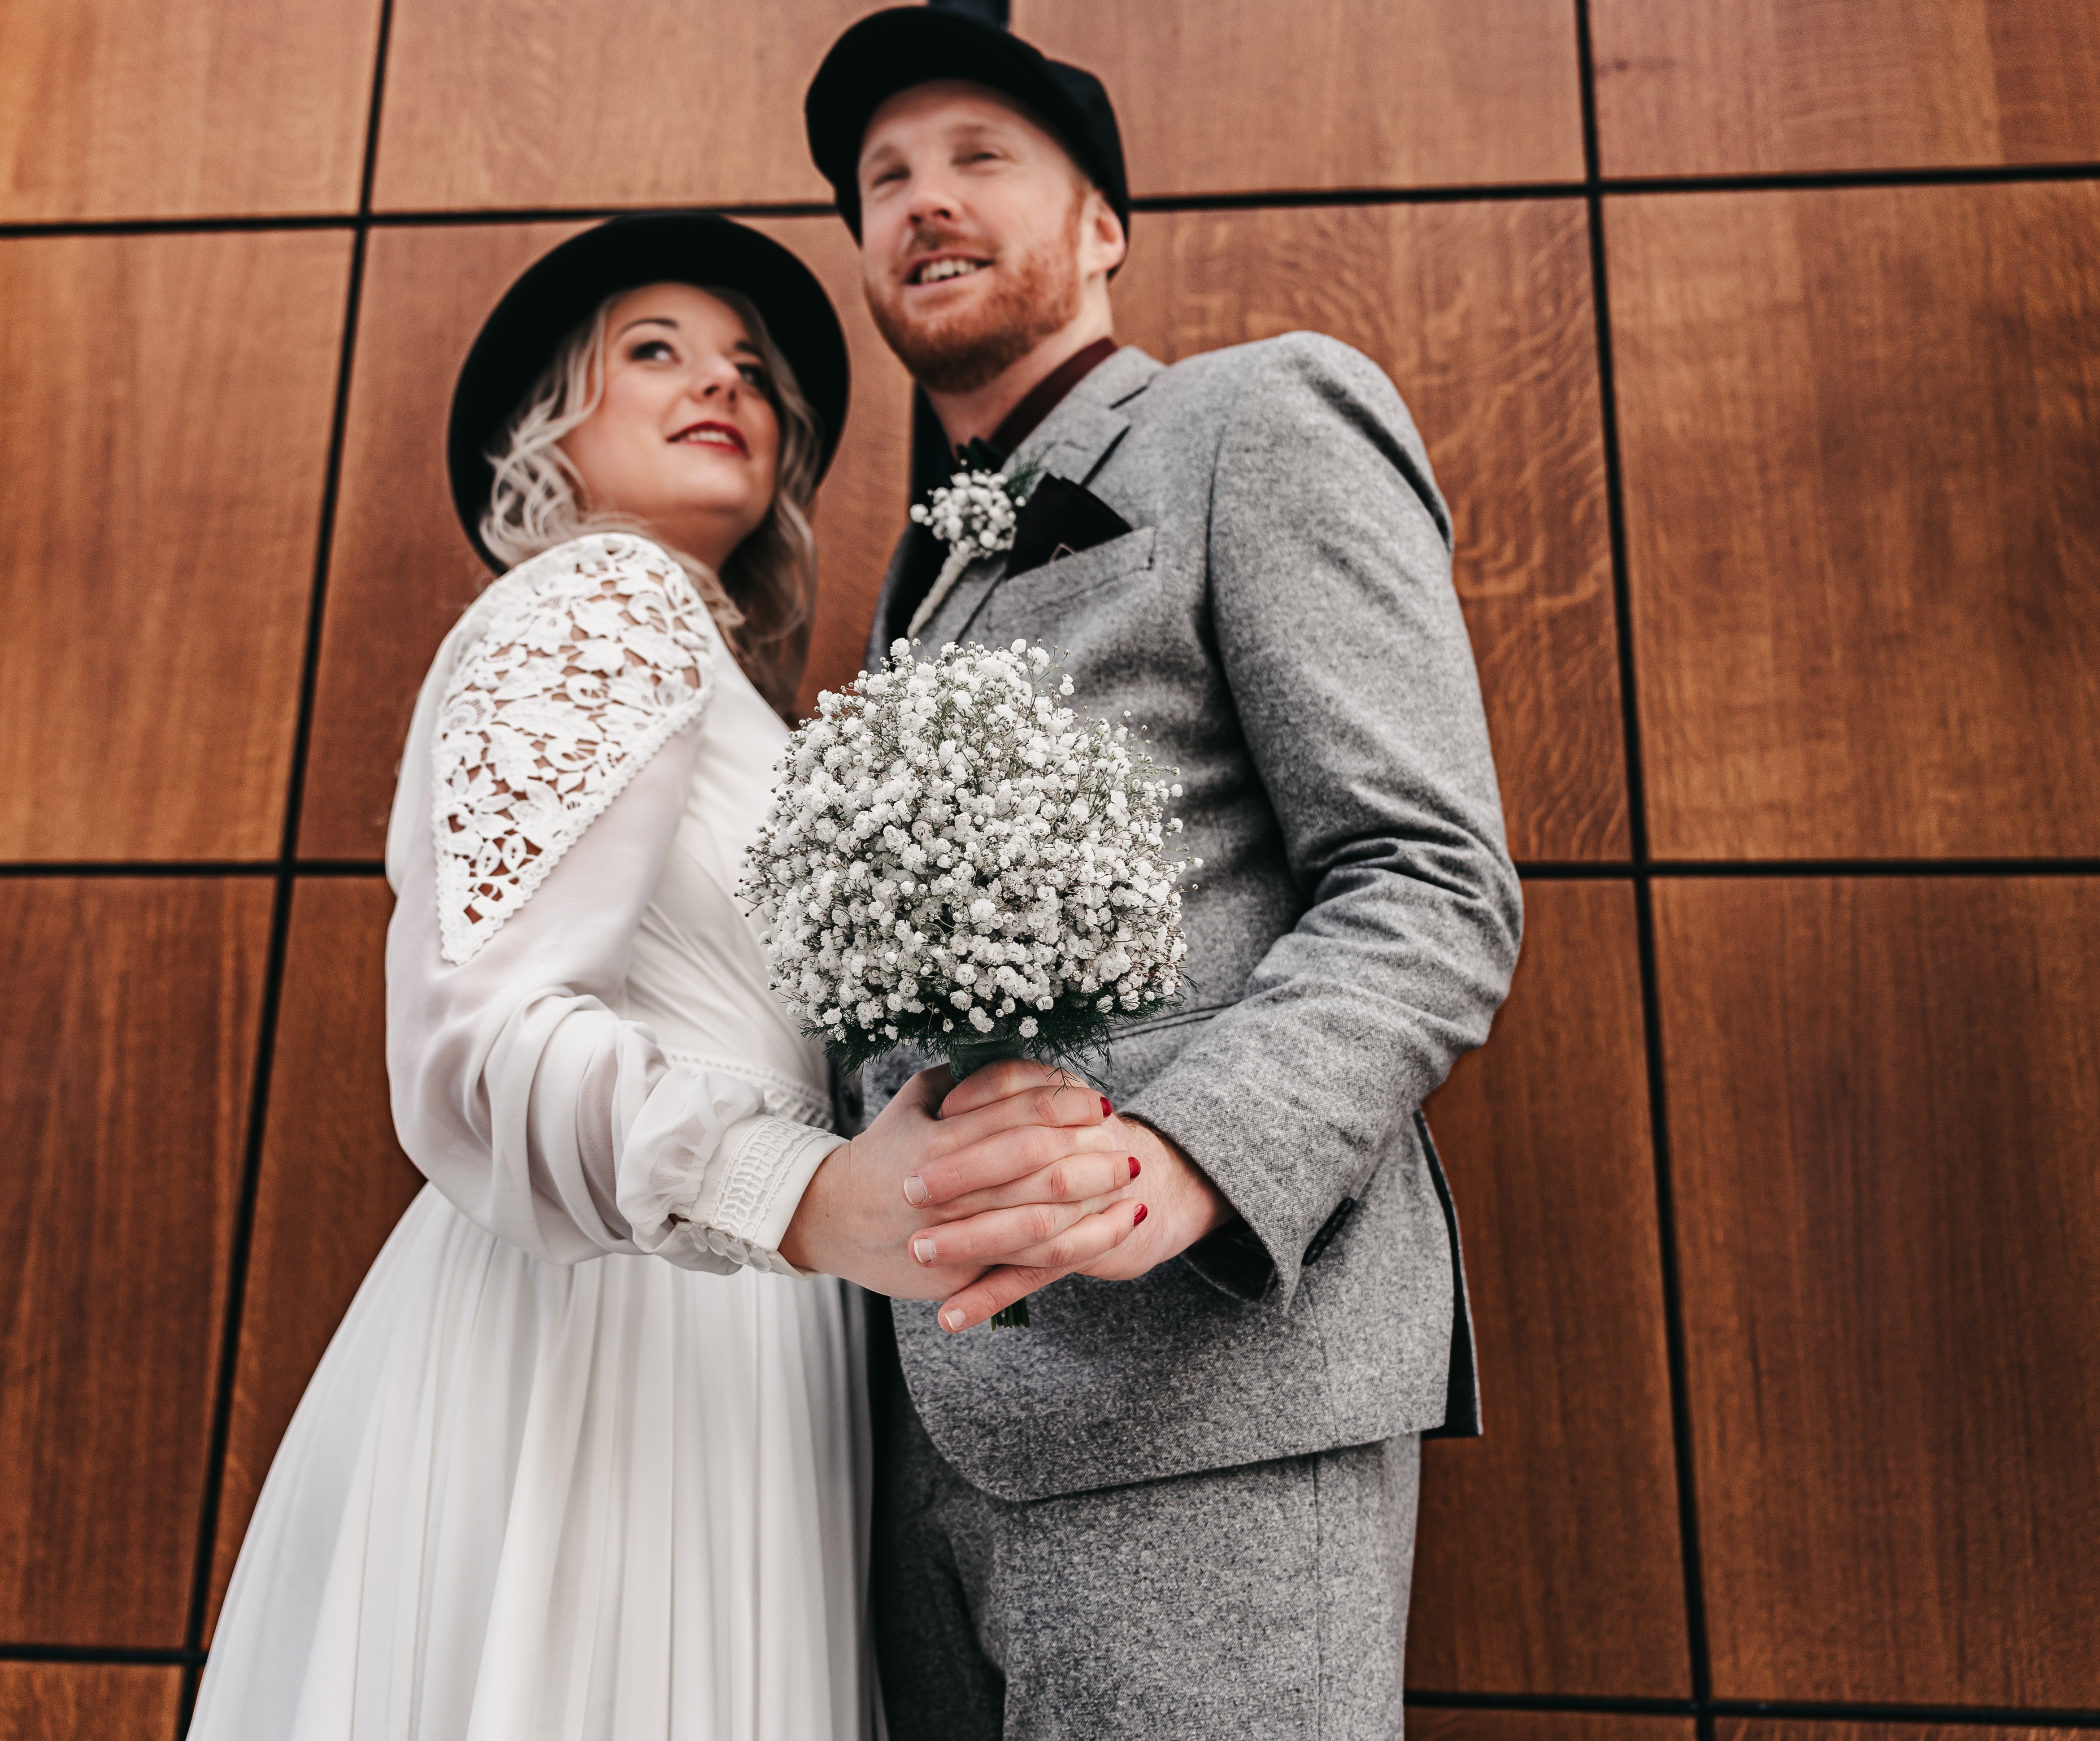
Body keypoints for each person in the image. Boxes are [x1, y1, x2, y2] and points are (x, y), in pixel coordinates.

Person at [190, 213, 1148, 1741]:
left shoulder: (742, 695)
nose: (725, 384)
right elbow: (473, 1033)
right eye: (657, 352)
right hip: (612, 1329)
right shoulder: (596, 606)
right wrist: (807, 1192)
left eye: (754, 370)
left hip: (761, 1324)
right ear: (549, 427)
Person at [802, 13, 1525, 1738]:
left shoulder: (1257, 416)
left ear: (1104, 225)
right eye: (884, 180)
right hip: (923, 1431)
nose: (923, 201)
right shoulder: (918, 570)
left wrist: (1187, 1157)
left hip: (1209, 1394)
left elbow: (1430, 878)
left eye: (981, 157)